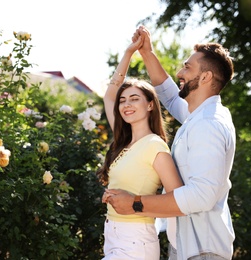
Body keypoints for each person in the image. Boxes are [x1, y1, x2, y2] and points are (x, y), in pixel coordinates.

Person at [104, 25, 236, 260]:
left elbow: (201, 196)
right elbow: (170, 96)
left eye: (187, 67)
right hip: (185, 244)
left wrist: (134, 204)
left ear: (205, 77)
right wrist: (146, 52)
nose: (179, 72)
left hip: (202, 248)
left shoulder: (209, 124)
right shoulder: (198, 116)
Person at [98, 33, 183, 259]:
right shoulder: (123, 142)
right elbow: (110, 96)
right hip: (113, 235)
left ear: (149, 106)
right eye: (124, 100)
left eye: (134, 99)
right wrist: (128, 53)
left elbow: (178, 202)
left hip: (135, 240)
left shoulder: (155, 146)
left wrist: (134, 203)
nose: (126, 104)